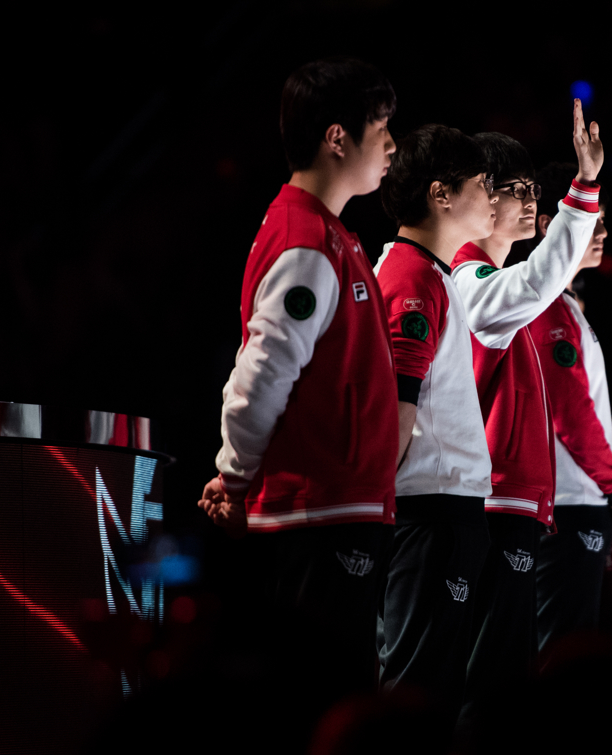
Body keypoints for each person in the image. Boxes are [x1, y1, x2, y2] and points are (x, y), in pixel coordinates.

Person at [198, 58, 398, 705]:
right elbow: (259, 377)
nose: (392, 144)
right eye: (381, 127)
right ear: (338, 138)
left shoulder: (332, 234)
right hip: (323, 513)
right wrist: (235, 476)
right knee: (323, 703)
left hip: (340, 507)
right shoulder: (308, 243)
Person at [450, 100, 604, 715]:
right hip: (492, 504)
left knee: (505, 677)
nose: (529, 200)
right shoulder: (469, 281)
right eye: (514, 189)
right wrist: (584, 188)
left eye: (532, 188)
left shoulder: (487, 283)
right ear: (480, 198)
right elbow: (537, 281)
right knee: (493, 684)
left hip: (511, 504)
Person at [373, 126, 498, 708]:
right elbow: (398, 404)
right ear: (440, 195)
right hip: (430, 513)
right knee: (417, 692)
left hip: (439, 512)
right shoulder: (411, 276)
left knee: (434, 689)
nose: (493, 198)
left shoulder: (428, 273)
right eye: (482, 184)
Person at [525, 162, 612, 652]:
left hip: (574, 502)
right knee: (562, 658)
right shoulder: (547, 305)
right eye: (593, 218)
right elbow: (570, 416)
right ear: (552, 226)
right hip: (570, 505)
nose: (604, 231)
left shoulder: (564, 304)